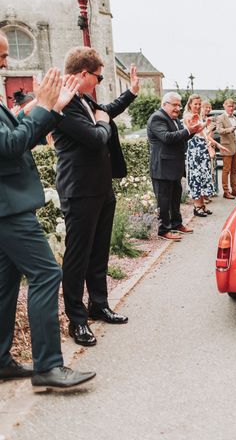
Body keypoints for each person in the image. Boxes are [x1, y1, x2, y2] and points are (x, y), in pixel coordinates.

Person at [0, 31, 95, 390]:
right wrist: (41, 107)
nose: (7, 63)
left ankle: (1, 361)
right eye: (2, 56)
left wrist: (51, 108)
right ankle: (49, 367)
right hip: (8, 208)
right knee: (45, 275)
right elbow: (10, 145)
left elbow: (18, 131)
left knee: (5, 284)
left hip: (7, 205)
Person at [54, 46, 139, 347]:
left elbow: (104, 111)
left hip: (101, 188)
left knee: (99, 251)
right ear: (83, 74)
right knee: (78, 257)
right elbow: (94, 137)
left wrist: (131, 93)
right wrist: (103, 122)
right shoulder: (62, 101)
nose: (100, 82)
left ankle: (98, 304)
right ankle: (77, 320)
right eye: (99, 77)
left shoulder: (84, 98)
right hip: (79, 190)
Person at [148, 92, 205, 241]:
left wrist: (193, 131)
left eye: (179, 105)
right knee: (164, 201)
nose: (178, 108)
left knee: (175, 198)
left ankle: (176, 224)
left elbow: (181, 137)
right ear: (164, 104)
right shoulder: (157, 118)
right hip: (162, 168)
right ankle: (163, 230)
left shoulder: (173, 119)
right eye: (175, 105)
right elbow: (167, 138)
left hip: (174, 167)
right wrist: (188, 130)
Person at [184, 94, 214, 217]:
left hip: (201, 149)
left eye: (199, 104)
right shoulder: (188, 116)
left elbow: (204, 134)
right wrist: (205, 124)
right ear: (190, 104)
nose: (197, 106)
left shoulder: (198, 116)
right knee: (196, 176)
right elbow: (195, 130)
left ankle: (202, 204)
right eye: (195, 104)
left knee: (202, 176)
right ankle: (196, 206)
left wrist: (208, 144)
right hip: (194, 149)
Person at [216, 98, 236, 199]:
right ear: (224, 106)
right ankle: (226, 191)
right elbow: (219, 130)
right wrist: (229, 129)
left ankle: (234, 190)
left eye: (232, 106)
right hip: (226, 147)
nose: (231, 108)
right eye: (229, 106)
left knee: (234, 170)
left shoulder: (235, 118)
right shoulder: (221, 117)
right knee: (226, 170)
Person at [201, 100, 219, 197]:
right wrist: (210, 128)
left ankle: (208, 192)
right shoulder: (201, 119)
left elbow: (210, 135)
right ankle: (203, 195)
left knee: (210, 170)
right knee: (204, 171)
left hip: (209, 145)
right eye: (205, 107)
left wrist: (212, 129)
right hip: (202, 147)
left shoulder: (208, 119)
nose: (208, 109)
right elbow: (203, 134)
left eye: (209, 107)